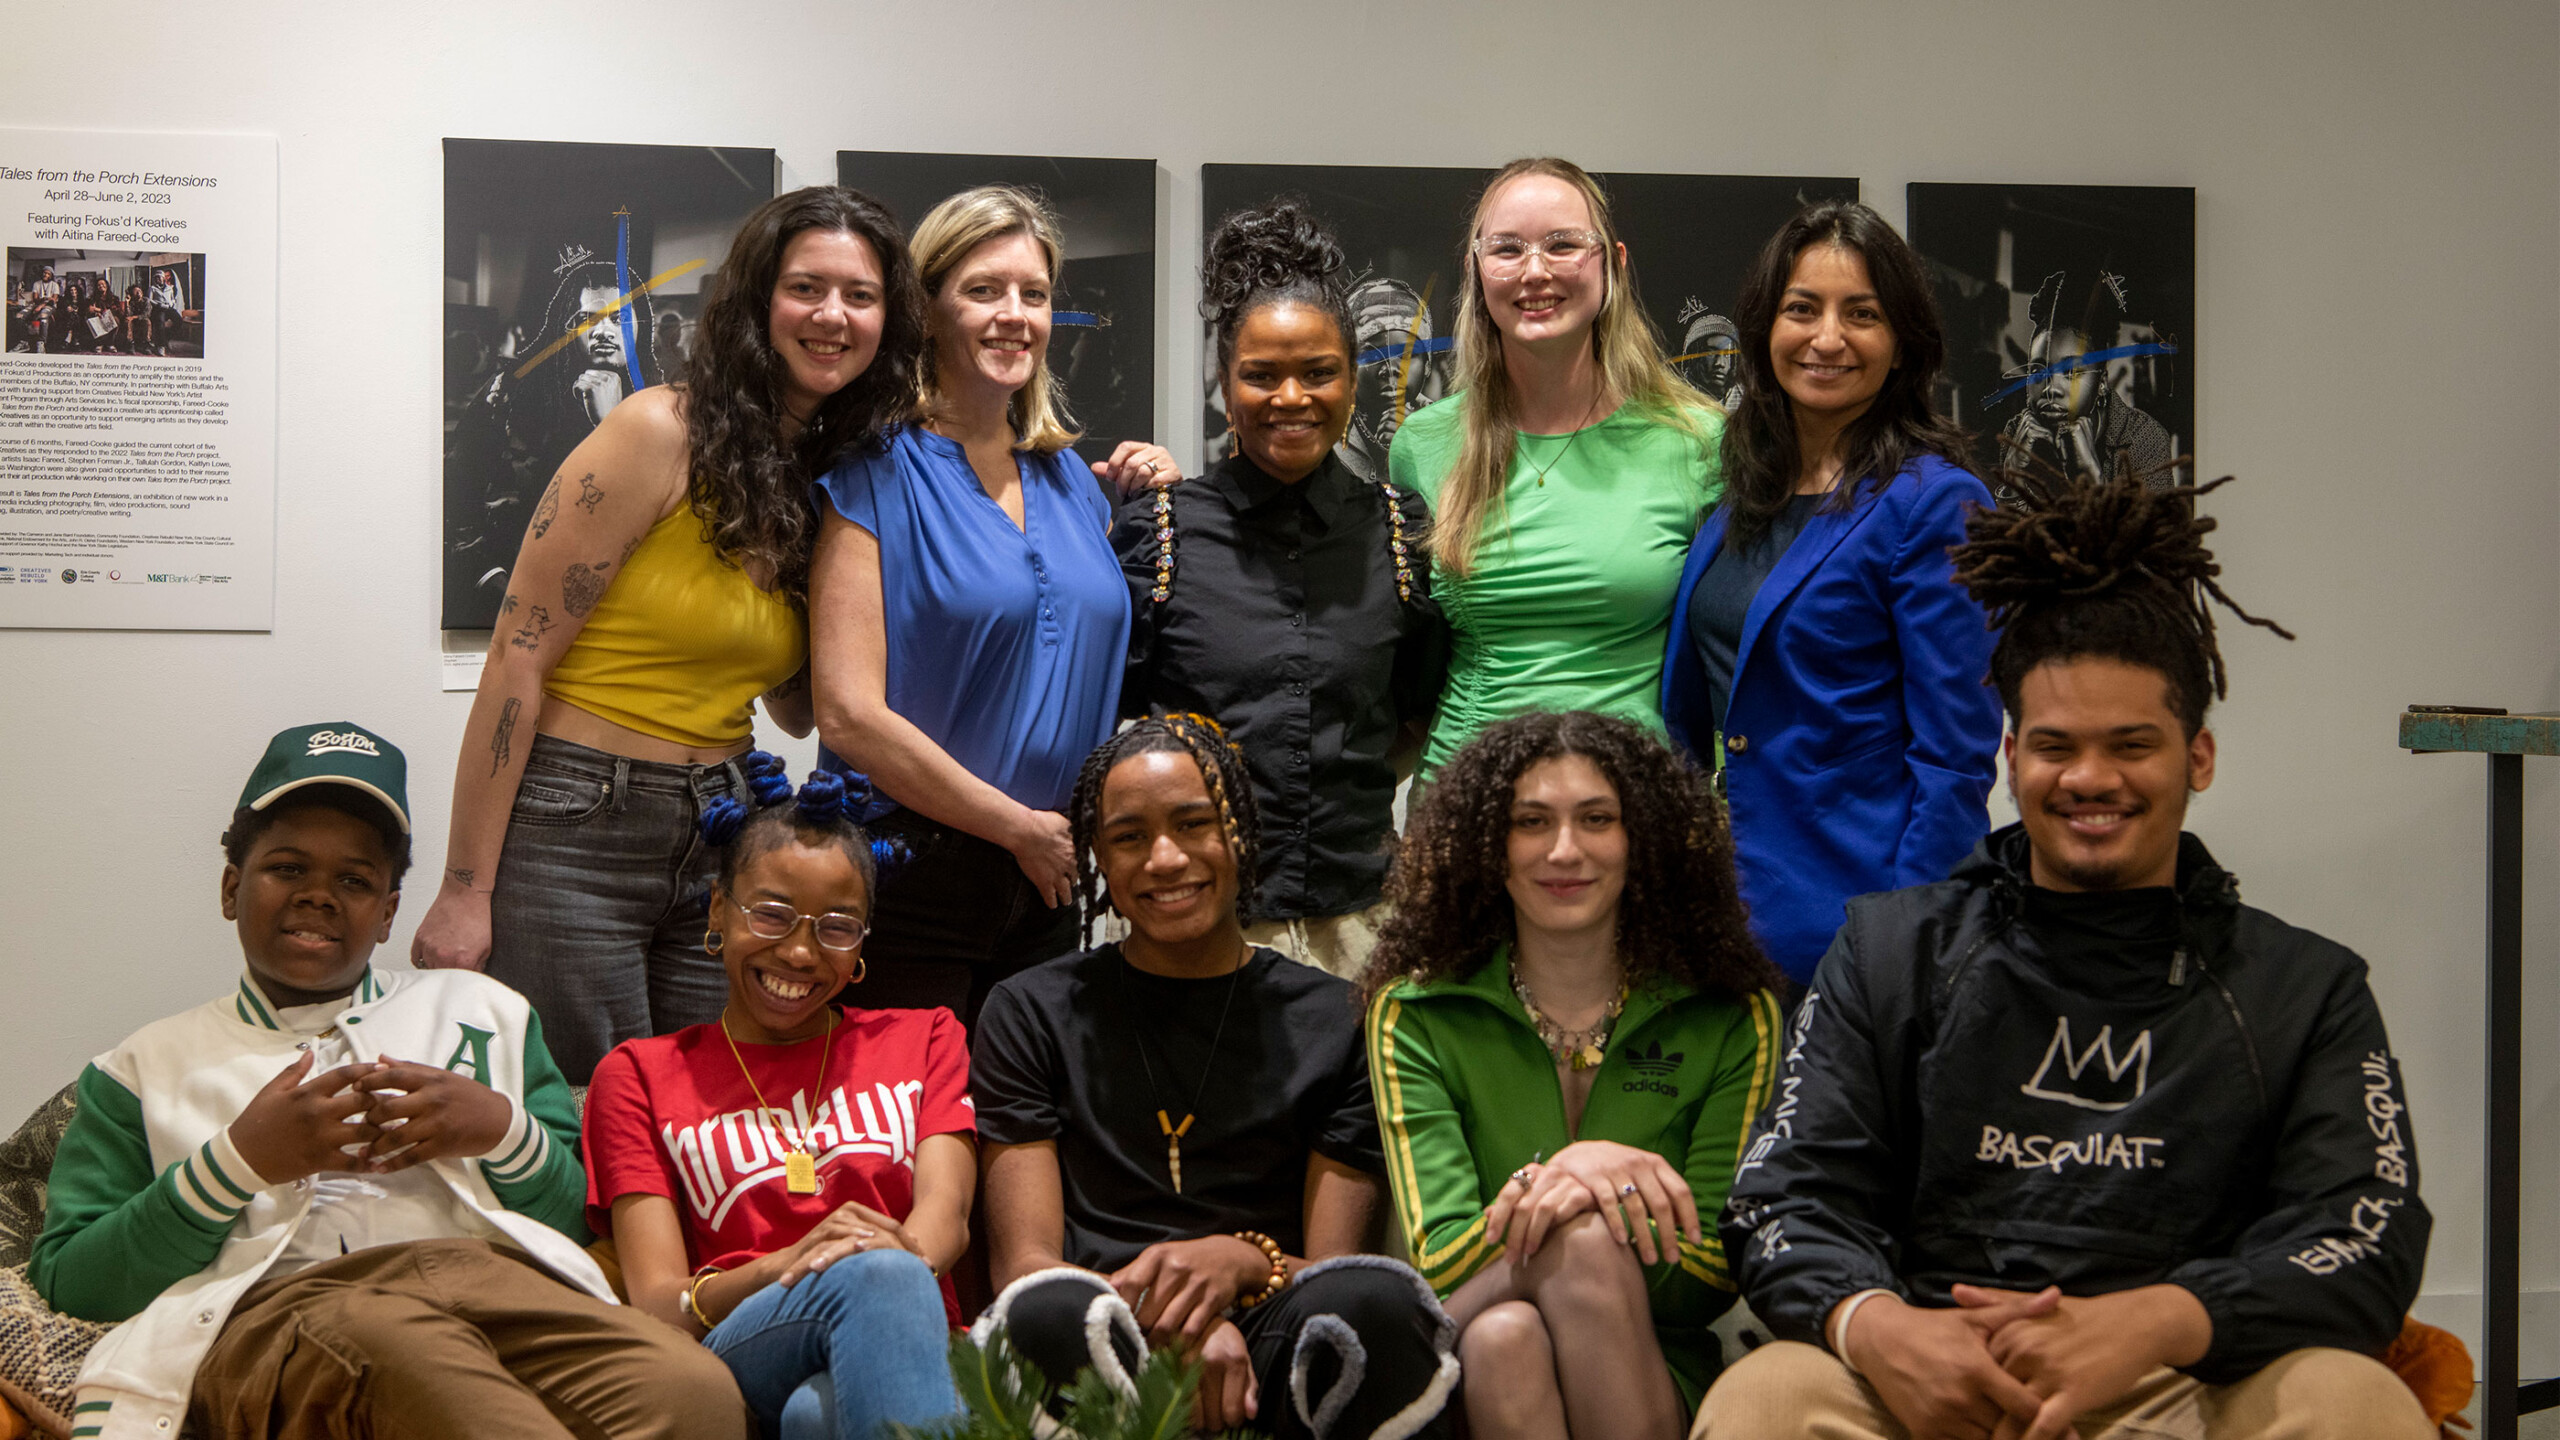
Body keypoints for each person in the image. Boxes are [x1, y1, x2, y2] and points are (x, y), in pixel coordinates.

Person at [1695, 472, 2434, 1440]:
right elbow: (1781, 1200)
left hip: (2187, 1383)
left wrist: (2162, 1320)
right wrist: (1875, 1326)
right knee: (1766, 1399)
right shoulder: (1886, 953)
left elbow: (2368, 1234)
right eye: (2055, 747)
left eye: (2131, 746)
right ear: (2011, 760)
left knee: (2357, 1404)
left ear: (2197, 758)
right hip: (1933, 1378)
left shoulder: (2307, 989)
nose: (2090, 778)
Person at [30, 722, 742, 1440]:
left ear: (388, 914)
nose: (319, 896)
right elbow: (72, 1282)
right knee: (419, 1362)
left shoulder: (486, 1010)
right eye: (287, 868)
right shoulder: (140, 1068)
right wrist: (239, 1163)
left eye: (354, 880)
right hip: (287, 1308)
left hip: (504, 1292)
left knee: (694, 1391)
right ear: (231, 887)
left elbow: (578, 1225)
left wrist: (502, 1132)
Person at [412, 186, 927, 1085]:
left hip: (724, 826)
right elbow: (516, 659)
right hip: (577, 820)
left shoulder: (823, 478)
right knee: (580, 1118)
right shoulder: (660, 429)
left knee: (703, 1124)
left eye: (861, 295)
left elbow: (795, 710)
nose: (833, 316)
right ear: (758, 299)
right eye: (807, 288)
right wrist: (464, 890)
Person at [971, 716, 1459, 1439]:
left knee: (1374, 1302)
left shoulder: (1338, 1018)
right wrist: (1172, 1324)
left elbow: (1332, 1267)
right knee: (1042, 1311)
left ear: (1241, 835)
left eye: (1193, 824)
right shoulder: (1031, 1009)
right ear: (1099, 856)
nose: (1165, 859)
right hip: (1099, 1319)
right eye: (1129, 836)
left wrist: (1243, 1263)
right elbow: (1024, 1265)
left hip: (1271, 1318)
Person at [807, 184, 1183, 1025]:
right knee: (914, 1112)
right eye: (984, 290)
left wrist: (1158, 500)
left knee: (1029, 1105)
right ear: (928, 309)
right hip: (908, 873)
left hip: (1049, 873)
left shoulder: (1071, 481)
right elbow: (847, 714)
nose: (1014, 315)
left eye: (1034, 294)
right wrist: (1015, 826)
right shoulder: (874, 471)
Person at [1360, 711, 1783, 1437]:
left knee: (1534, 1306)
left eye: (1596, 819)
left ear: (1640, 838)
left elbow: (1712, 1275)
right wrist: (1574, 1177)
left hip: (1659, 1361)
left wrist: (1582, 1204)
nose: (1564, 849)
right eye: (1531, 822)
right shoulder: (1417, 1012)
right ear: (1488, 845)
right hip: (1473, 1347)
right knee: (1504, 1333)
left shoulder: (1731, 1014)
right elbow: (1441, 1270)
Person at [1660, 200, 2003, 990]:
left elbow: (1954, 764)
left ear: (1902, 341)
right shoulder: (1743, 497)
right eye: (1802, 309)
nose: (1827, 338)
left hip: (1852, 934)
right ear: (1764, 329)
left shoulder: (1937, 503)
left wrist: (1905, 944)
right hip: (1719, 922)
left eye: (1862, 314)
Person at [584, 757, 968, 1440]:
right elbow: (659, 1303)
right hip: (744, 1339)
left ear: (863, 940)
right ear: (718, 909)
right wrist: (791, 1264)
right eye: (772, 915)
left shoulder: (927, 1038)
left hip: (905, 1330)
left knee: (815, 1415)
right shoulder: (638, 1075)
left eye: (837, 927)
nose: (799, 953)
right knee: (876, 1277)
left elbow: (948, 1217)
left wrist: (887, 1260)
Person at [1116, 200, 1445, 978]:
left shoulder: (1401, 533)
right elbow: (1115, 725)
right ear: (1225, 386)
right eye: (1261, 375)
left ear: (1351, 383)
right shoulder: (1159, 534)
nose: (1290, 397)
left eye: (1318, 372)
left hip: (1363, 924)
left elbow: (1411, 715)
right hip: (1198, 928)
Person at [1388, 157, 1721, 779]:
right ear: (1476, 269)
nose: (1535, 271)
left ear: (1612, 264)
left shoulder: (1699, 440)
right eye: (1507, 249)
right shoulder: (1423, 444)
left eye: (1563, 244)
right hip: (1468, 804)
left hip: (1637, 804)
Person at [1338, 274, 1447, 484]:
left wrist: (1417, 452)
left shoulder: (1451, 435)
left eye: (1407, 355)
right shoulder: (1325, 437)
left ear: (1427, 365)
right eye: (1372, 356)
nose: (1391, 370)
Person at [1671, 301, 1744, 410]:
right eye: (1711, 353)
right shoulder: (1673, 401)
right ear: (1692, 359)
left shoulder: (1750, 402)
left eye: (1727, 355)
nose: (1720, 363)